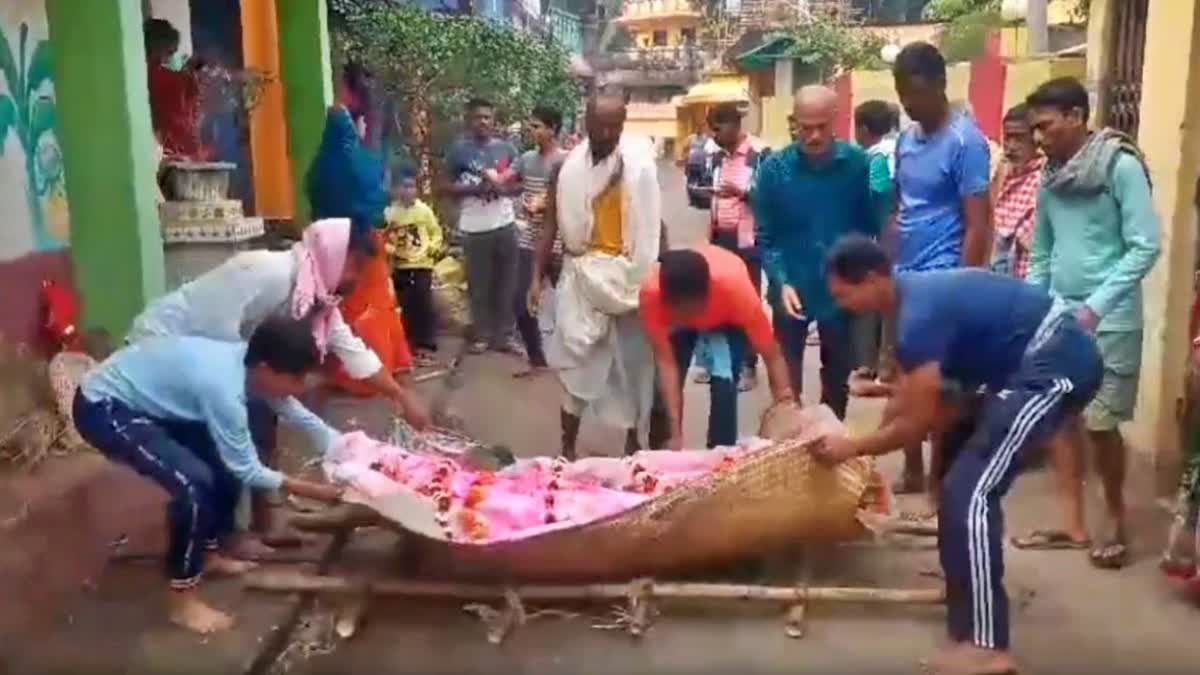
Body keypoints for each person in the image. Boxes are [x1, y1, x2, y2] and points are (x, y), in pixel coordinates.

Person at [813, 235, 1102, 675]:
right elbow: (919, 404)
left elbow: (915, 424)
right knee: (956, 488)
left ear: (872, 279)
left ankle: (989, 647)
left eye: (842, 294)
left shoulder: (916, 315)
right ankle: (966, 620)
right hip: (1025, 368)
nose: (841, 304)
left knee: (973, 491)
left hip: (1057, 364)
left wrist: (851, 448)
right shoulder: (907, 304)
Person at [127, 219, 427, 550]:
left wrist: (401, 395)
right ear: (332, 254)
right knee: (219, 442)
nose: (354, 279)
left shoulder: (317, 298)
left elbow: (352, 352)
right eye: (352, 266)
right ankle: (223, 539)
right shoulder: (266, 273)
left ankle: (258, 525)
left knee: (260, 428)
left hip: (228, 359)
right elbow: (217, 338)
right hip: (174, 347)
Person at [73, 316, 346, 634]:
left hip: (153, 400)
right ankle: (182, 601)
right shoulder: (222, 387)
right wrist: (316, 491)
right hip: (104, 406)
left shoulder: (250, 364)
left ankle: (208, 552)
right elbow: (247, 468)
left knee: (221, 463)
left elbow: (291, 409)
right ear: (267, 369)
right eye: (297, 379)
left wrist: (345, 446)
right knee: (193, 484)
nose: (301, 389)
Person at [1016, 77, 1161, 568]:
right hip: (1060, 315)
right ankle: (1072, 523)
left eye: (1046, 126)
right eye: (1034, 128)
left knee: (1101, 426)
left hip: (1111, 318)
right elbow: (1041, 251)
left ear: (1076, 116)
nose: (1038, 137)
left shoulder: (1120, 167)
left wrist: (1096, 305)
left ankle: (1116, 518)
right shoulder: (1051, 174)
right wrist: (1039, 306)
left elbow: (1146, 245)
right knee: (1061, 421)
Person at [528, 93, 662, 459]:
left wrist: (654, 277)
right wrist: (536, 277)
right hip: (581, 278)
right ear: (584, 122)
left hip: (630, 281)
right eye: (598, 125)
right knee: (576, 367)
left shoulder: (639, 167)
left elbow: (653, 227)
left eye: (613, 126)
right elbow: (550, 225)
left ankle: (635, 444)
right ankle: (567, 447)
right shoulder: (566, 169)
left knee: (635, 365)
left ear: (623, 124)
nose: (605, 133)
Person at [889, 41, 993, 495]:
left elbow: (978, 223)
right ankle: (911, 468)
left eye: (916, 92)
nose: (909, 103)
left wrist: (965, 287)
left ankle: (940, 484)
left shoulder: (966, 142)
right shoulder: (905, 141)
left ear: (940, 86)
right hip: (906, 274)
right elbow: (901, 208)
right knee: (906, 377)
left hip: (946, 272)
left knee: (942, 387)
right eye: (901, 93)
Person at [752, 85, 876, 420]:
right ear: (794, 123)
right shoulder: (773, 170)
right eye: (806, 127)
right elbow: (766, 235)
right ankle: (792, 449)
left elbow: (871, 227)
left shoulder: (858, 166)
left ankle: (831, 443)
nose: (814, 135)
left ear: (836, 120)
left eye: (822, 126)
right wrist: (781, 280)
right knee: (786, 379)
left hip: (841, 289)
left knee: (837, 374)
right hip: (791, 285)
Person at [308, 63, 415, 397]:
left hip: (351, 232)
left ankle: (368, 368)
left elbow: (329, 182)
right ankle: (365, 370)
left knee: (361, 301)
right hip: (352, 235)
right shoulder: (345, 123)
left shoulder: (353, 128)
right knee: (358, 302)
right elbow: (361, 179)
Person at [640, 247, 795, 449]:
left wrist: (785, 401)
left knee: (725, 387)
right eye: (682, 315)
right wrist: (675, 433)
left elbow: (772, 355)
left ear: (706, 298)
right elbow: (668, 366)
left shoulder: (736, 293)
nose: (690, 319)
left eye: (693, 312)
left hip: (727, 317)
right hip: (683, 311)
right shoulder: (651, 297)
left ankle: (721, 455)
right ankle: (664, 448)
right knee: (664, 390)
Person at [444, 97, 522, 354]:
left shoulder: (507, 150)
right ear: (469, 120)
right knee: (478, 284)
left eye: (487, 117)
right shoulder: (458, 151)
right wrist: (474, 189)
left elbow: (522, 185)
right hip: (474, 228)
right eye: (478, 117)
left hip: (505, 224)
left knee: (507, 283)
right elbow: (445, 187)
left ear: (494, 121)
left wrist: (502, 188)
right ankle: (481, 335)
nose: (483, 122)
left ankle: (504, 336)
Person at [703, 102, 769, 392]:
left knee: (747, 303)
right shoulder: (716, 158)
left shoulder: (760, 155)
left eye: (719, 129)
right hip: (721, 237)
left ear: (734, 125)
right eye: (712, 130)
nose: (715, 135)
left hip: (748, 241)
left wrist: (742, 193)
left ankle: (748, 365)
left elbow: (772, 197)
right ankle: (719, 362)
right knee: (718, 301)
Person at [511, 106, 567, 377]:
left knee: (571, 304)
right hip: (530, 239)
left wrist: (547, 204)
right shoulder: (525, 160)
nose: (531, 131)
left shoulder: (566, 161)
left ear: (553, 128)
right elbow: (507, 185)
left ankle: (577, 362)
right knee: (520, 301)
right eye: (530, 126)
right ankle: (537, 359)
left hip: (560, 242)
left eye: (537, 126)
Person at [851, 99, 900, 384]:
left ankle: (875, 364)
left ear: (864, 128)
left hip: (882, 234)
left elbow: (878, 191)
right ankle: (883, 365)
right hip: (901, 233)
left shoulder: (876, 156)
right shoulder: (901, 148)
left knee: (875, 299)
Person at [385, 167, 443, 365]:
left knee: (423, 303)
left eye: (412, 187)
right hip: (401, 265)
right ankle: (407, 345)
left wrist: (433, 248)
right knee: (404, 305)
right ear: (396, 189)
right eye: (404, 186)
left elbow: (435, 232)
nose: (409, 191)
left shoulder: (424, 211)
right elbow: (384, 237)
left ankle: (426, 345)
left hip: (422, 264)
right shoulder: (391, 213)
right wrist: (389, 250)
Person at [989, 104, 1045, 279]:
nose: (1011, 146)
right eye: (1007, 137)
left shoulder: (1043, 180)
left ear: (1035, 138)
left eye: (1019, 138)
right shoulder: (1003, 176)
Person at [144, 18, 206, 161]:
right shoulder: (173, 80)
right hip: (176, 152)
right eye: (170, 52)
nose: (171, 56)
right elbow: (186, 119)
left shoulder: (139, 75)